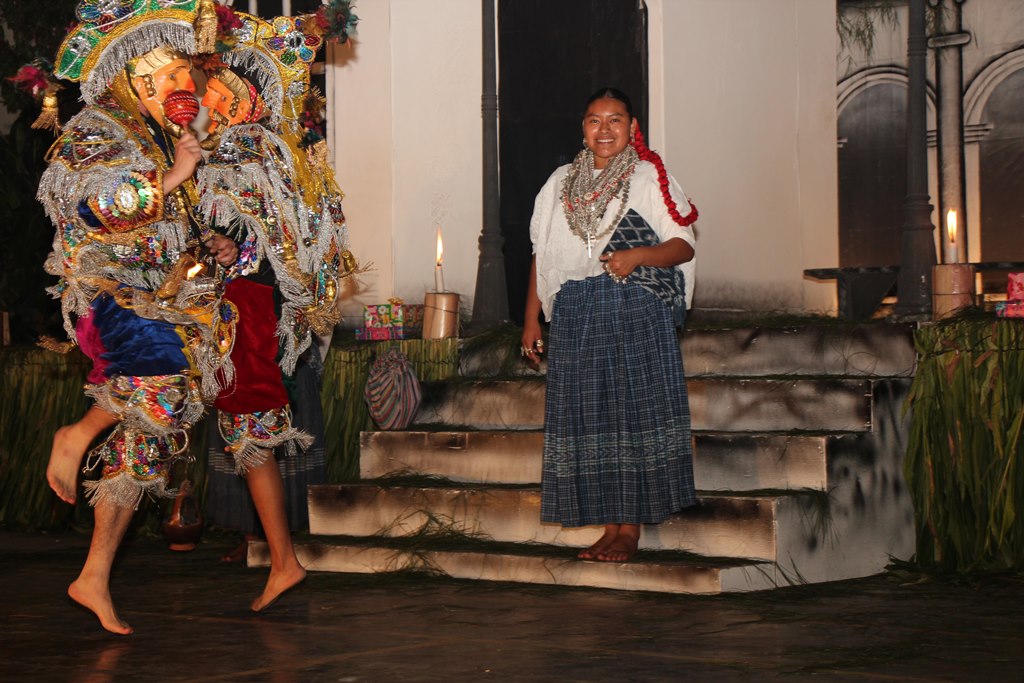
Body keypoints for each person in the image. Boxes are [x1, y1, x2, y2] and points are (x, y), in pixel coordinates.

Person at [37, 1, 227, 634]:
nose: (186, 91)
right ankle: (79, 433)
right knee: (167, 377)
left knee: (157, 432)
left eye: (187, 80)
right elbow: (91, 207)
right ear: (139, 81)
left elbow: (180, 233)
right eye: (172, 79)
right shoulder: (97, 128)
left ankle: (93, 573)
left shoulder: (162, 139)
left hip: (161, 300)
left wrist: (221, 247)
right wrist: (170, 178)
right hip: (109, 296)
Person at [193, 10, 354, 610]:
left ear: (244, 98)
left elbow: (276, 232)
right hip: (239, 304)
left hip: (253, 307)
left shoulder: (252, 149)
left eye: (216, 90)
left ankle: (282, 557)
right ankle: (280, 557)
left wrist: (231, 244)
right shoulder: (239, 150)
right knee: (243, 431)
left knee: (246, 424)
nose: (206, 97)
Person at [521, 87, 700, 563]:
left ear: (632, 127)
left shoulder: (649, 177)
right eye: (594, 120)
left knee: (630, 413)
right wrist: (531, 320)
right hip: (578, 312)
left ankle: (630, 529)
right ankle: (608, 525)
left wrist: (639, 255)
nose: (604, 130)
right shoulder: (560, 182)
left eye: (615, 120)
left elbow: (683, 245)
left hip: (633, 308)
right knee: (591, 417)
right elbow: (543, 253)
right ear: (583, 128)